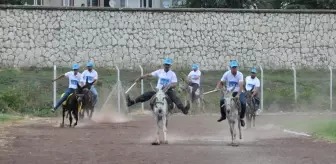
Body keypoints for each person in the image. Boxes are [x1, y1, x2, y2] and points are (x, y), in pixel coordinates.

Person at [126, 58, 190, 114]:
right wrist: (140, 78)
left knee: (175, 98)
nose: (167, 66)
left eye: (168, 65)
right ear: (164, 65)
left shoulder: (172, 74)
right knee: (146, 94)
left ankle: (183, 109)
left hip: (168, 90)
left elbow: (175, 84)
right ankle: (132, 102)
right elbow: (149, 75)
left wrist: (169, 86)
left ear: (170, 65)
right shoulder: (159, 71)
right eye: (166, 64)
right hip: (158, 90)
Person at [216, 60, 246, 127]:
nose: (234, 69)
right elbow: (221, 82)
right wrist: (218, 87)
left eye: (235, 67)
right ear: (230, 68)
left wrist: (238, 94)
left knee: (243, 103)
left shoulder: (240, 74)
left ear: (237, 68)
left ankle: (241, 118)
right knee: (221, 101)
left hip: (239, 91)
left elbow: (241, 85)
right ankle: (223, 116)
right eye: (233, 67)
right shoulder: (227, 74)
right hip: (229, 92)